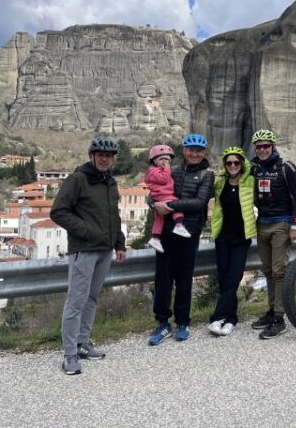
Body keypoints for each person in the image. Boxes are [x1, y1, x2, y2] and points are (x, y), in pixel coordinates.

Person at [50, 136, 127, 375]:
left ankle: (83, 344)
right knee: (76, 301)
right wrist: (85, 231)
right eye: (100, 154)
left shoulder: (110, 183)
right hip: (83, 250)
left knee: (91, 298)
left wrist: (120, 243)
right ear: (92, 156)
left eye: (109, 155)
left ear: (113, 159)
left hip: (105, 250)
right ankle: (69, 355)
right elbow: (58, 211)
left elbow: (113, 215)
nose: (105, 159)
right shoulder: (78, 179)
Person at [148, 133, 213, 345]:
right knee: (163, 278)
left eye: (199, 150)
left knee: (184, 279)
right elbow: (154, 192)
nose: (194, 153)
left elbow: (199, 202)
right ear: (184, 150)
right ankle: (162, 323)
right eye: (190, 149)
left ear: (203, 153)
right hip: (167, 231)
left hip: (189, 232)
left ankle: (183, 322)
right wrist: (152, 203)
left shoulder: (207, 174)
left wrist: (168, 206)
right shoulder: (172, 170)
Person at [249, 129, 296, 340]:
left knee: (279, 271)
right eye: (259, 146)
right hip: (261, 224)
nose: (262, 150)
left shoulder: (285, 167)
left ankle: (279, 319)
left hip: (281, 223)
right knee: (268, 270)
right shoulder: (254, 168)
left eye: (266, 146)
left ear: (272, 146)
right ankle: (271, 311)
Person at [208, 146, 256, 336]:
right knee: (224, 279)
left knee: (233, 279)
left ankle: (216, 318)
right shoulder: (220, 182)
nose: (233, 165)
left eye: (237, 162)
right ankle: (231, 318)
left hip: (241, 239)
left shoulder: (250, 181)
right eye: (229, 163)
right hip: (222, 237)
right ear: (225, 165)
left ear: (242, 164)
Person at [144, 144, 191, 253]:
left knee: (159, 218)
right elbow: (164, 179)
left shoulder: (158, 170)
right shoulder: (154, 171)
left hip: (160, 195)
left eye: (167, 159)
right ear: (154, 160)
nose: (165, 162)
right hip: (163, 195)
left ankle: (155, 238)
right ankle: (179, 225)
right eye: (162, 159)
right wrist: (167, 169)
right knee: (176, 205)